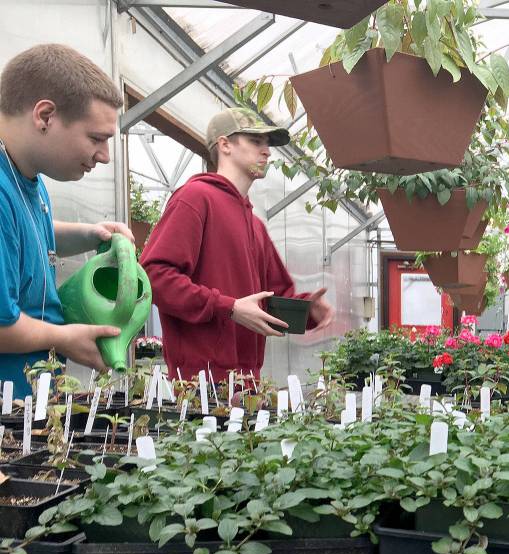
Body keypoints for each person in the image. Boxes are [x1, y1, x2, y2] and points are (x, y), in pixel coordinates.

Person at [140, 107, 334, 384]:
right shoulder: (195, 198)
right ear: (225, 145)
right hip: (199, 388)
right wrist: (227, 307)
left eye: (267, 144)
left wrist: (307, 311)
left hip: (247, 387)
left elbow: (273, 298)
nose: (266, 151)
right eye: (255, 141)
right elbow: (153, 277)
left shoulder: (255, 225)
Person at [0, 44, 135, 397]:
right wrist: (64, 338)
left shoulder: (24, 176)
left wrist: (90, 234)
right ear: (45, 116)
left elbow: (23, 236)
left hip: (26, 406)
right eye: (96, 138)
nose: (105, 156)